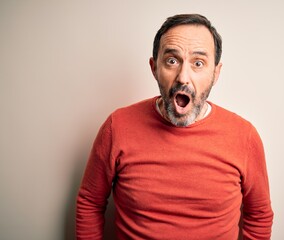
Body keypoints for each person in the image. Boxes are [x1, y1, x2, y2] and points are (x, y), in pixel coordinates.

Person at [76, 13, 273, 240]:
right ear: (154, 67)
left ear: (215, 73)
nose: (183, 78)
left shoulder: (244, 137)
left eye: (198, 63)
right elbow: (90, 202)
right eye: (172, 61)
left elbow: (259, 214)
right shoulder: (117, 127)